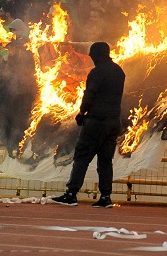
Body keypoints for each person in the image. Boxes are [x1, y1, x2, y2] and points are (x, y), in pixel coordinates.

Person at [51, 41, 125, 208]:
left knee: (82, 157)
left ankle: (71, 194)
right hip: (114, 120)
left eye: (92, 55)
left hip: (96, 120)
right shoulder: (119, 71)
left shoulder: (97, 72)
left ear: (97, 55)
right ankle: (105, 197)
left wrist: (82, 113)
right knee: (105, 160)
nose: (91, 58)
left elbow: (89, 94)